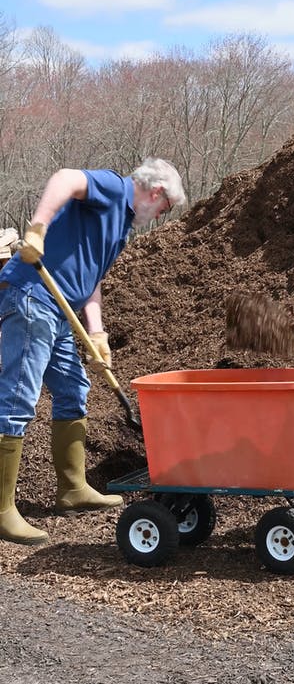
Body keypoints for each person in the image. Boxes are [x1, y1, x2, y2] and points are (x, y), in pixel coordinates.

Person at [0, 157, 186, 545]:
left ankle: (72, 490)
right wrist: (37, 229)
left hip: (58, 310)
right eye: (164, 209)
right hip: (32, 295)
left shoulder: (119, 227)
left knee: (73, 391)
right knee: (18, 399)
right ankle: (2, 510)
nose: (158, 217)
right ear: (155, 193)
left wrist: (97, 333)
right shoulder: (113, 189)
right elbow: (65, 178)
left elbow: (92, 280)